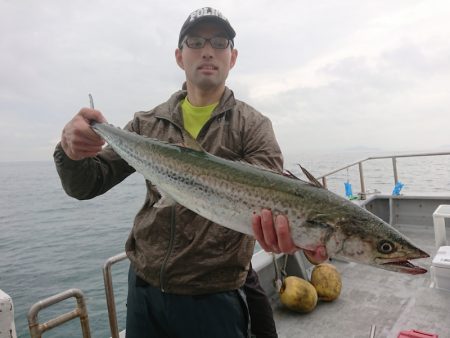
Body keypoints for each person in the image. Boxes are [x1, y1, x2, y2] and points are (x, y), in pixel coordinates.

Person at [54, 7, 324, 338]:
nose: (207, 50)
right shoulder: (147, 125)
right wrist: (70, 150)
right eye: (195, 41)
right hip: (143, 290)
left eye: (219, 42)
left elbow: (268, 201)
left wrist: (301, 231)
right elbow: (87, 184)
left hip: (214, 297)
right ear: (180, 56)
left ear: (232, 57)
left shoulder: (253, 127)